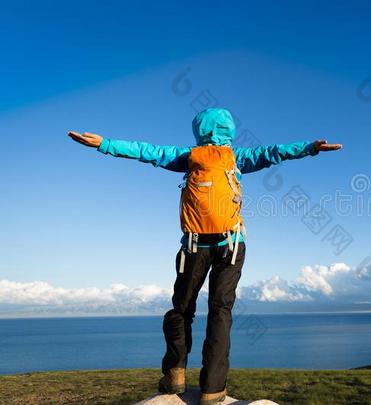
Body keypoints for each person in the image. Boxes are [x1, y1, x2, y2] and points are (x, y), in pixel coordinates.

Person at [68, 108, 341, 405]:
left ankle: (175, 374)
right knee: (220, 312)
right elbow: (274, 152)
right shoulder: (236, 158)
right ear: (229, 131)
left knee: (181, 309)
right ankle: (212, 388)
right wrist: (310, 149)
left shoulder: (189, 156)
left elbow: (146, 151)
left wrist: (104, 144)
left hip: (194, 245)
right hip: (231, 244)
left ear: (199, 130)